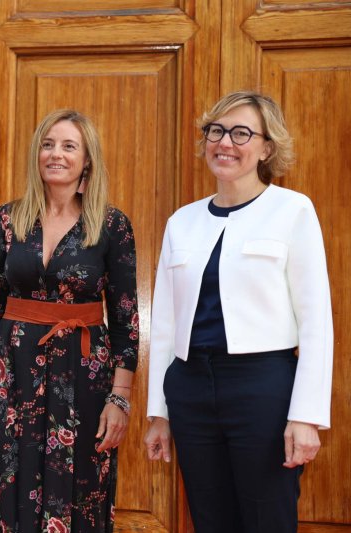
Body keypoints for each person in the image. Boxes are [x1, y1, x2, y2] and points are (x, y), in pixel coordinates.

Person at [144, 90, 333, 533]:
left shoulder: (293, 210)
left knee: (268, 518)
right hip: (190, 390)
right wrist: (159, 413)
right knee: (210, 520)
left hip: (262, 389)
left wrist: (305, 416)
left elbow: (316, 321)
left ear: (267, 147)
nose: (225, 142)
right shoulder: (182, 221)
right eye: (216, 131)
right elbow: (166, 325)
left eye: (242, 133)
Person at [0, 109, 139, 532]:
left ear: (87, 159)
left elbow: (127, 320)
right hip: (11, 371)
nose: (55, 154)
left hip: (84, 375)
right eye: (47, 144)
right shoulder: (9, 218)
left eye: (68, 146)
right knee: (10, 479)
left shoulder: (112, 225)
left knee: (81, 486)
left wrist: (120, 398)